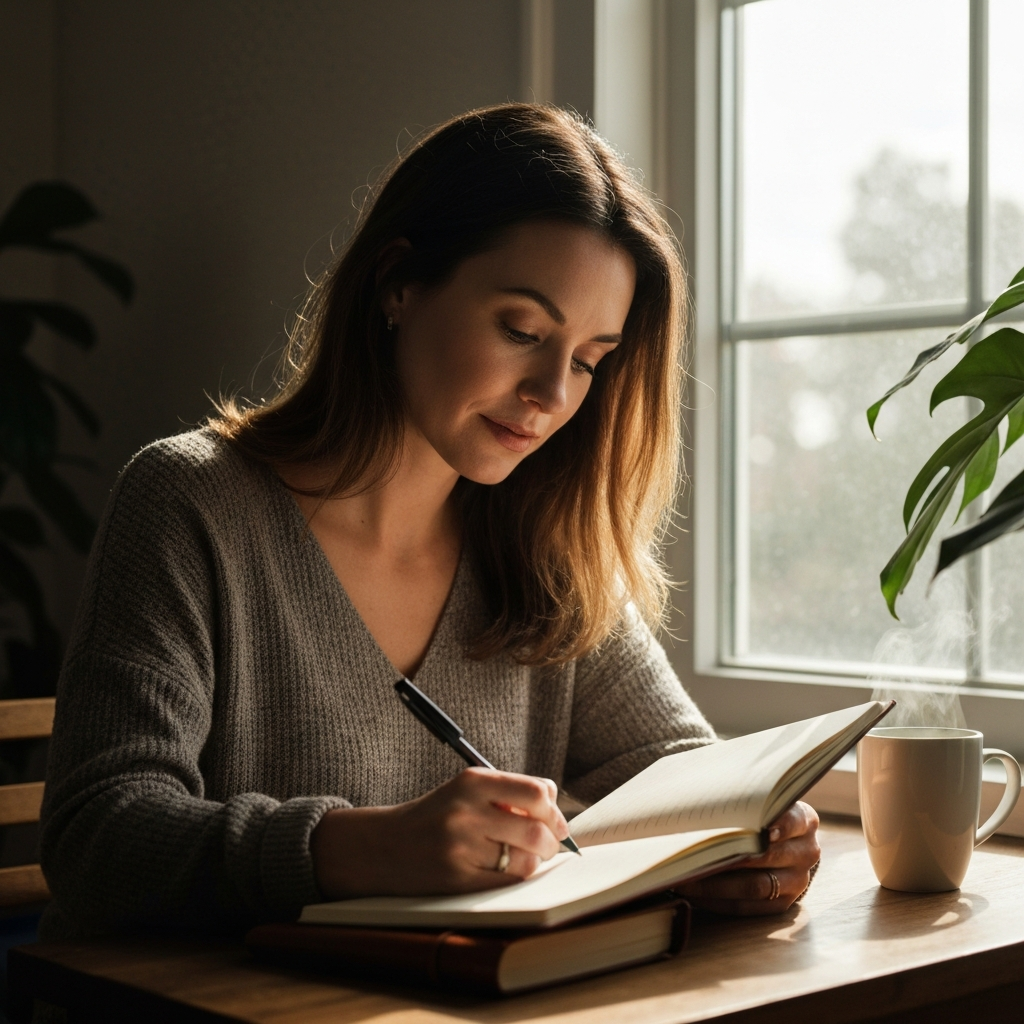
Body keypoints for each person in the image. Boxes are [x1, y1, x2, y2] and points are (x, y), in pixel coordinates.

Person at [38, 104, 819, 940]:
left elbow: (674, 774)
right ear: (399, 286)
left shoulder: (543, 541)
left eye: (590, 360)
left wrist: (750, 839)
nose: (553, 395)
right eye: (522, 330)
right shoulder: (189, 503)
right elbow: (98, 837)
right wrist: (357, 848)